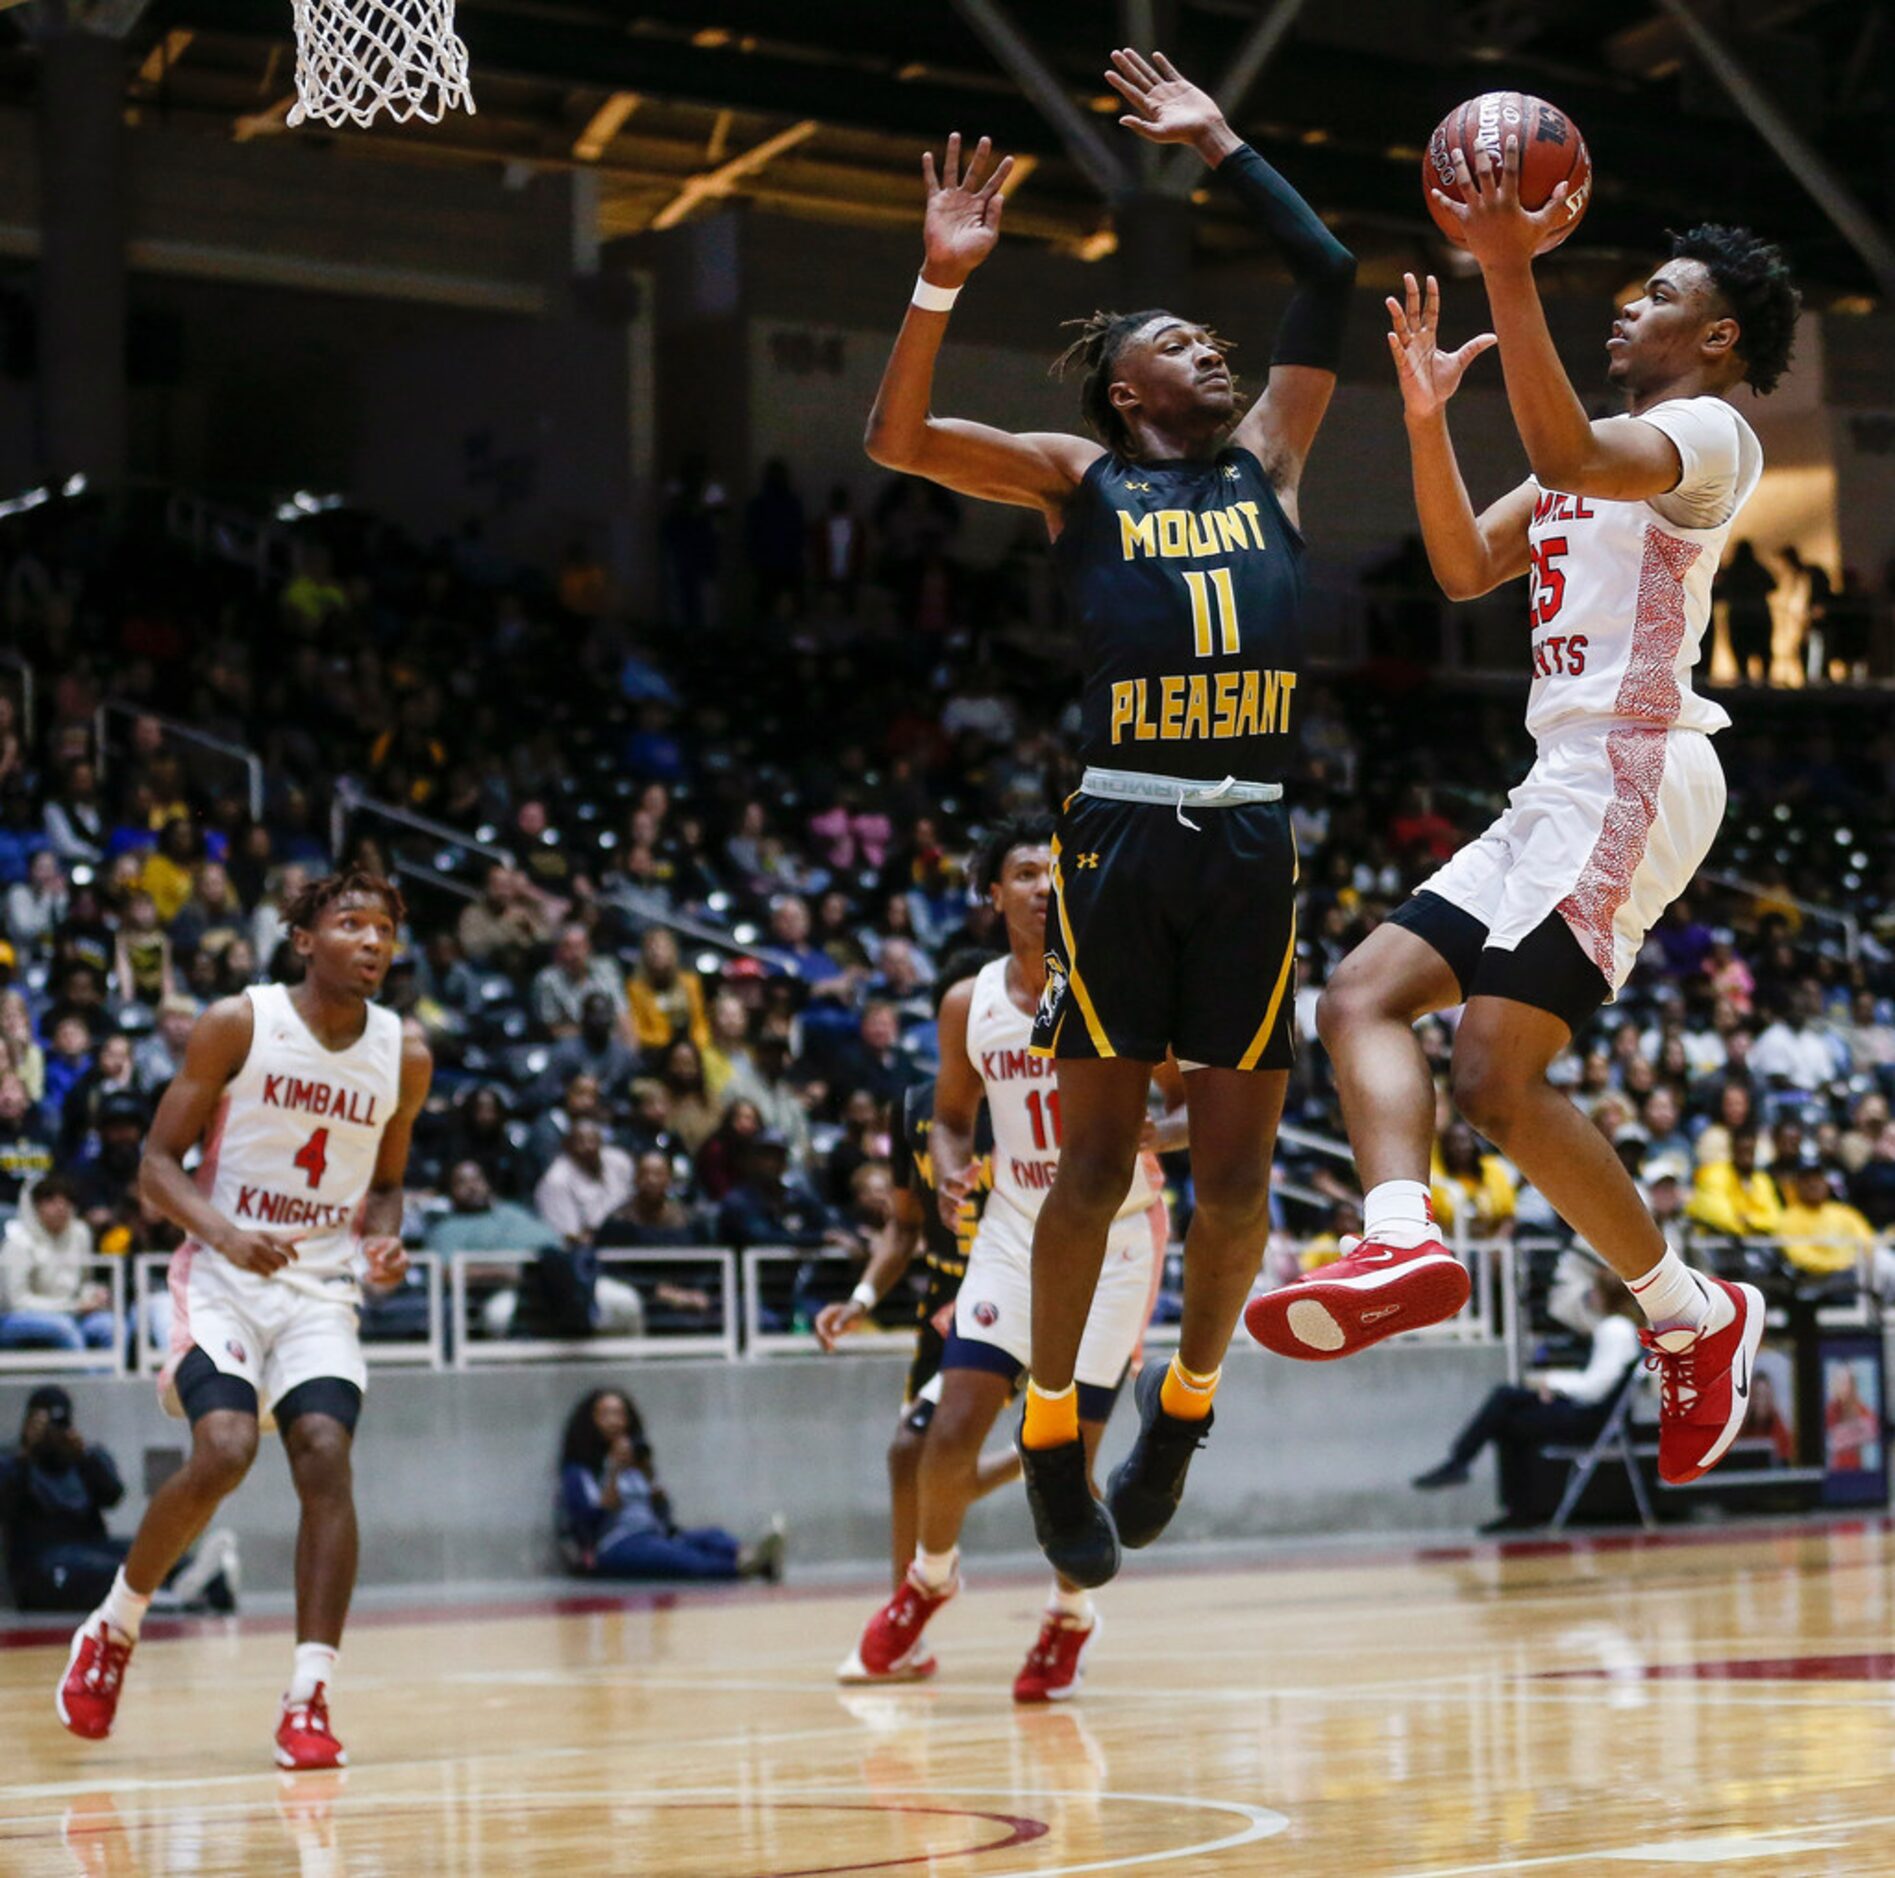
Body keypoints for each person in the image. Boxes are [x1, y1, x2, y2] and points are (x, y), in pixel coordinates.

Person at [863, 49, 1350, 1587]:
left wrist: (1222, 144)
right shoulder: (1080, 479)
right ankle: (1057, 1420)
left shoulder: (1269, 460)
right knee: (1089, 1168)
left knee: (1235, 1178)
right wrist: (937, 286)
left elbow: (1327, 271)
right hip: (1120, 834)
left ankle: (1181, 1410)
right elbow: (895, 442)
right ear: (1126, 389)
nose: (1212, 353)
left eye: (1215, 339)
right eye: (1179, 345)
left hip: (1252, 839)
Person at [1287, 142, 1800, 1491]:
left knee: (1489, 1075)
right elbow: (1459, 565)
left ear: (1714, 333)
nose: (1622, 308)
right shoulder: (1588, 460)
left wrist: (1506, 267)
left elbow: (1566, 437)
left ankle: (1687, 1312)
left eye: (1652, 294)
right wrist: (1416, 423)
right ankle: (1416, 1236)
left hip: (1635, 764)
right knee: (1354, 1001)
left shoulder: (1703, 433)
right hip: (1556, 780)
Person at [55, 867, 431, 1771]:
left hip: (318, 1288)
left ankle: (308, 1696)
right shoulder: (240, 1022)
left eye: (384, 929)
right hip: (219, 1273)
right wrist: (225, 1231)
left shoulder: (403, 1053)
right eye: (352, 924)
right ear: (304, 940)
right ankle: (115, 1626)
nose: (374, 942)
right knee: (224, 1449)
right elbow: (154, 1166)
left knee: (326, 1455)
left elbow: (385, 1187)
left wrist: (384, 1242)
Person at [837, 818, 1182, 1700]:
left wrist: (1161, 1131)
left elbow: (1196, 1108)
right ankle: (928, 1580)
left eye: (1056, 871)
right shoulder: (967, 1002)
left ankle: (1070, 1614)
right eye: (1025, 872)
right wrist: (951, 1175)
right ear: (992, 894)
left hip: (1112, 1242)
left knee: (1066, 1453)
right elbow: (951, 1119)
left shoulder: (1125, 982)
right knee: (949, 1430)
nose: (1043, 884)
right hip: (1012, 1231)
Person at [814, 954, 1012, 1590]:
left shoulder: (1033, 1098)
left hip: (1018, 1287)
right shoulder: (915, 1109)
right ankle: (915, 1596)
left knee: (915, 1449)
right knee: (915, 1456)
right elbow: (903, 1226)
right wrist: (863, 1296)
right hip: (947, 1292)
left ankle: (917, 1593)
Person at [1412, 1268, 1643, 1532]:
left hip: (1592, 1418)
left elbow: (1596, 1387)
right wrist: (1554, 1386)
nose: (1590, 1296)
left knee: (1507, 1415)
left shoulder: (1615, 1329)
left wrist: (1551, 1384)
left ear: (1606, 1296)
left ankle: (1468, 1469)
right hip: (1589, 1410)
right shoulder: (1616, 1327)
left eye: (1595, 1291)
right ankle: (1471, 1472)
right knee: (1507, 1402)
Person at [2, 1386, 238, 1614]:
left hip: (92, 1545)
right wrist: (27, 1454)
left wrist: (84, 1457)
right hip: (45, 1562)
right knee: (110, 1573)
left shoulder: (81, 1457)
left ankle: (212, 1582)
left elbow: (113, 1494)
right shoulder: (12, 1462)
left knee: (149, 1552)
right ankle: (172, 1596)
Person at [557, 1388, 783, 1582]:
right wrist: (615, 1471)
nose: (614, 1421)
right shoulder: (580, 1472)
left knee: (712, 1536)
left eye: (619, 1414)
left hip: (652, 1534)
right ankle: (748, 1566)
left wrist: (651, 1484)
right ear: (591, 1421)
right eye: (606, 1415)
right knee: (682, 1559)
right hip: (616, 1544)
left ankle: (753, 1556)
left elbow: (663, 1516)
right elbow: (588, 1523)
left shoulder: (635, 1462)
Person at [0, 1174, 114, 1352]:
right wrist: (70, 1307)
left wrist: (93, 1295)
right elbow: (17, 1303)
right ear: (34, 1206)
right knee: (64, 1328)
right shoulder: (17, 1242)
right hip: (16, 1318)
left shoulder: (80, 1234)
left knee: (109, 1326)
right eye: (51, 1200)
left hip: (72, 1312)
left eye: (67, 1200)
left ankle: (109, 1379)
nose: (61, 1207)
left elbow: (84, 1281)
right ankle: (90, 1379)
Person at [1716, 539, 1776, 683]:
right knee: (1763, 651)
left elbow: (1720, 593)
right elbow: (1773, 585)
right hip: (1760, 615)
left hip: (1738, 616)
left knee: (1740, 653)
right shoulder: (1758, 569)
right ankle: (1765, 683)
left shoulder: (1731, 571)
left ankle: (1744, 682)